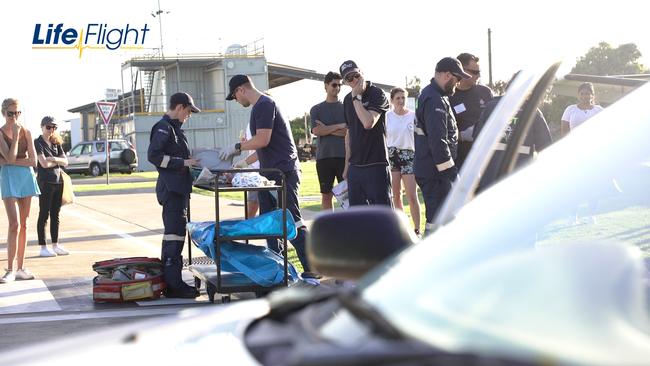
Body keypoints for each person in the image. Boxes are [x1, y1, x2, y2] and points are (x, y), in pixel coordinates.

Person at [221, 74, 315, 276]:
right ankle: (278, 268)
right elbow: (263, 146)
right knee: (270, 223)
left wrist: (237, 147)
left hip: (283, 172)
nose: (236, 101)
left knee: (292, 221)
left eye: (235, 96)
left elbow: (262, 139)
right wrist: (243, 162)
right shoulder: (259, 107)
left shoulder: (264, 104)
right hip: (269, 174)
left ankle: (311, 269)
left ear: (241, 90)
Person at [147, 92, 201, 298]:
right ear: (179, 107)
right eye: (188, 111)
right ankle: (173, 285)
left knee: (177, 235)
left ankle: (173, 281)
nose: (189, 115)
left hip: (178, 188)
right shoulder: (164, 127)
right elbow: (154, 156)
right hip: (172, 189)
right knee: (174, 236)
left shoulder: (174, 129)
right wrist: (183, 163)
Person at [414, 57, 470, 235]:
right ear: (447, 75)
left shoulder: (436, 95)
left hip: (432, 170)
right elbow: (438, 140)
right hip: (436, 173)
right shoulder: (434, 99)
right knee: (437, 221)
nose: (458, 83)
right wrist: (451, 173)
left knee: (440, 220)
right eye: (457, 78)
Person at [473, 72, 553, 191]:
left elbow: (477, 142)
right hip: (519, 181)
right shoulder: (532, 113)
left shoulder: (490, 108)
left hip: (490, 180)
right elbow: (546, 148)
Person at [339, 60, 391, 207]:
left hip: (376, 164)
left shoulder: (376, 93)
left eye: (356, 75)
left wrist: (357, 98)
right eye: (349, 78)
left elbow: (368, 123)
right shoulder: (347, 100)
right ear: (345, 82)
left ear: (362, 73)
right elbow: (349, 134)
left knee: (382, 215)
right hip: (355, 166)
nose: (354, 80)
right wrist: (346, 166)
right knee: (357, 216)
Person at [0, 98, 40, 283]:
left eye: (17, 113)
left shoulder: (28, 132)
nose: (14, 117)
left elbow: (33, 161)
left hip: (26, 178)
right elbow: (9, 157)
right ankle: (9, 270)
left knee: (24, 224)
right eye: (11, 113)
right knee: (13, 224)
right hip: (9, 178)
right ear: (3, 113)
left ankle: (21, 268)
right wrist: (15, 137)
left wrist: (11, 161)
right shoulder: (0, 133)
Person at [449, 53, 494, 169]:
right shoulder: (449, 97)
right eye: (475, 72)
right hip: (460, 160)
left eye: (479, 72)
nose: (478, 76)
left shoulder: (485, 92)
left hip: (484, 158)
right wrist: (461, 135)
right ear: (462, 71)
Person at [386, 87, 421, 235]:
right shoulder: (387, 116)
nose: (400, 101)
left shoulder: (413, 116)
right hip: (392, 155)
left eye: (403, 98)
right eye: (398, 98)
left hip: (409, 156)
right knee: (396, 195)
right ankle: (402, 229)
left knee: (412, 196)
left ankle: (417, 229)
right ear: (392, 100)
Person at [310, 71, 347, 210]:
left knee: (346, 195)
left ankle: (350, 228)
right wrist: (338, 126)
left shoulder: (346, 107)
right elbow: (317, 131)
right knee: (326, 195)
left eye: (339, 85)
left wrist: (327, 128)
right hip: (324, 157)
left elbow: (348, 132)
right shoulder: (316, 109)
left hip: (344, 157)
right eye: (334, 85)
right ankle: (329, 229)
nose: (337, 88)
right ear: (325, 85)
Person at [35, 116, 69, 257]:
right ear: (42, 127)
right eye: (48, 127)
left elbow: (65, 162)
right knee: (44, 214)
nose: (51, 130)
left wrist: (54, 159)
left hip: (58, 182)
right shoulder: (38, 142)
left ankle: (55, 245)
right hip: (45, 183)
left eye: (54, 127)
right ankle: (43, 246)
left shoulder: (56, 142)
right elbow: (43, 163)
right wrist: (57, 162)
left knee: (56, 214)